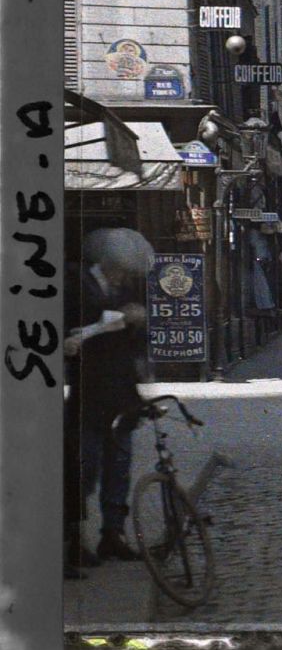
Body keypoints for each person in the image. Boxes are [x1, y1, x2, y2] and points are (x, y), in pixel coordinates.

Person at [63, 228, 155, 578]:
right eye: (121, 270)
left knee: (119, 467)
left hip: (121, 392)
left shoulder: (126, 289)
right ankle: (73, 541)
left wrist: (136, 322)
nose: (125, 278)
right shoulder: (76, 283)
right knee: (84, 470)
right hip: (89, 389)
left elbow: (134, 340)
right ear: (107, 263)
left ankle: (112, 534)